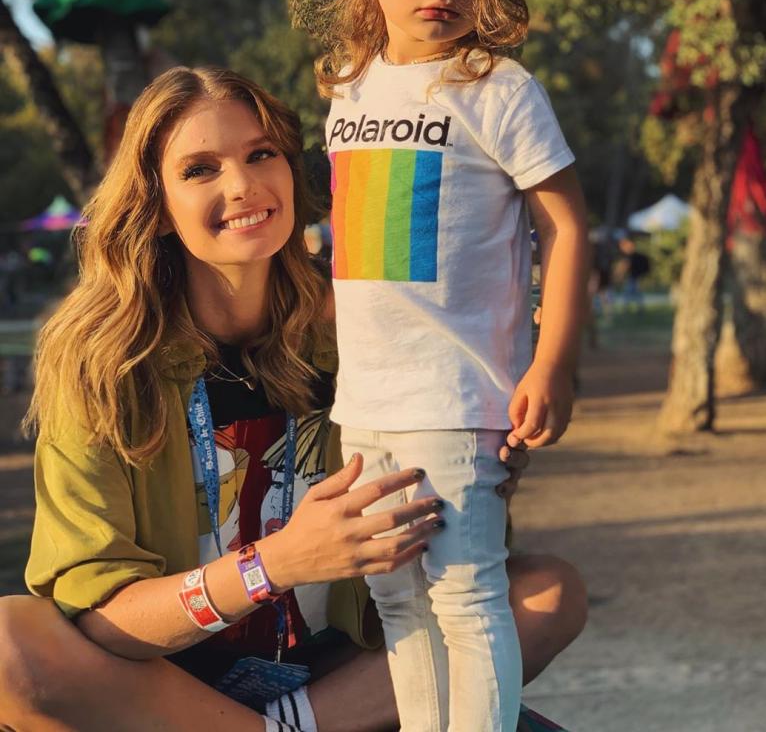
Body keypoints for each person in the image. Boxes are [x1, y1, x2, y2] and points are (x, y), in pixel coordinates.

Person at [0, 67, 587, 732]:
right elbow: (102, 617)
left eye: (261, 155)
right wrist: (276, 564)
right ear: (157, 204)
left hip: (334, 677)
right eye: (200, 169)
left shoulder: (367, 323)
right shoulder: (100, 359)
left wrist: (474, 467)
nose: (242, 185)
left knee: (546, 593)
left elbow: (448, 558)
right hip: (166, 685)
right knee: (11, 647)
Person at [295, 0, 588, 731]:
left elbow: (566, 226)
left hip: (457, 399)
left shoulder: (500, 89)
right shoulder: (348, 88)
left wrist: (554, 363)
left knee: (466, 594)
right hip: (364, 403)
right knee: (396, 601)